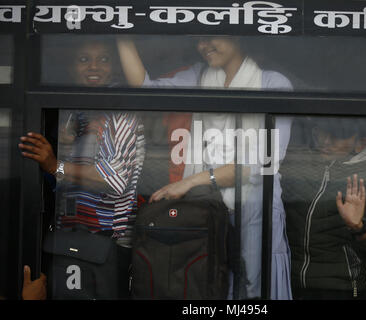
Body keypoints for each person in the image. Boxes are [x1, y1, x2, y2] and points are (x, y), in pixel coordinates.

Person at [117, 36, 293, 299]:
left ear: (239, 37)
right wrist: (122, 32)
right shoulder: (199, 76)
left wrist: (190, 181)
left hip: (256, 206)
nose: (204, 45)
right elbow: (144, 87)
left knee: (255, 290)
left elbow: (262, 163)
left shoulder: (273, 84)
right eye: (198, 40)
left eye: (212, 37)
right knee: (215, 287)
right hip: (211, 210)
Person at [19, 39, 145, 299]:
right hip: (70, 240)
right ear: (72, 67)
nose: (94, 67)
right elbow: (61, 183)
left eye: (104, 60)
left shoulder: (120, 111)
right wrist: (53, 168)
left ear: (115, 68)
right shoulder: (72, 109)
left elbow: (115, 181)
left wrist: (56, 165)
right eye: (84, 59)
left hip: (108, 244)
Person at [280, 117, 366, 299]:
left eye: (337, 136)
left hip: (339, 287)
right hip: (289, 281)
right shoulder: (298, 157)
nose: (325, 141)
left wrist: (358, 227)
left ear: (360, 144)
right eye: (322, 131)